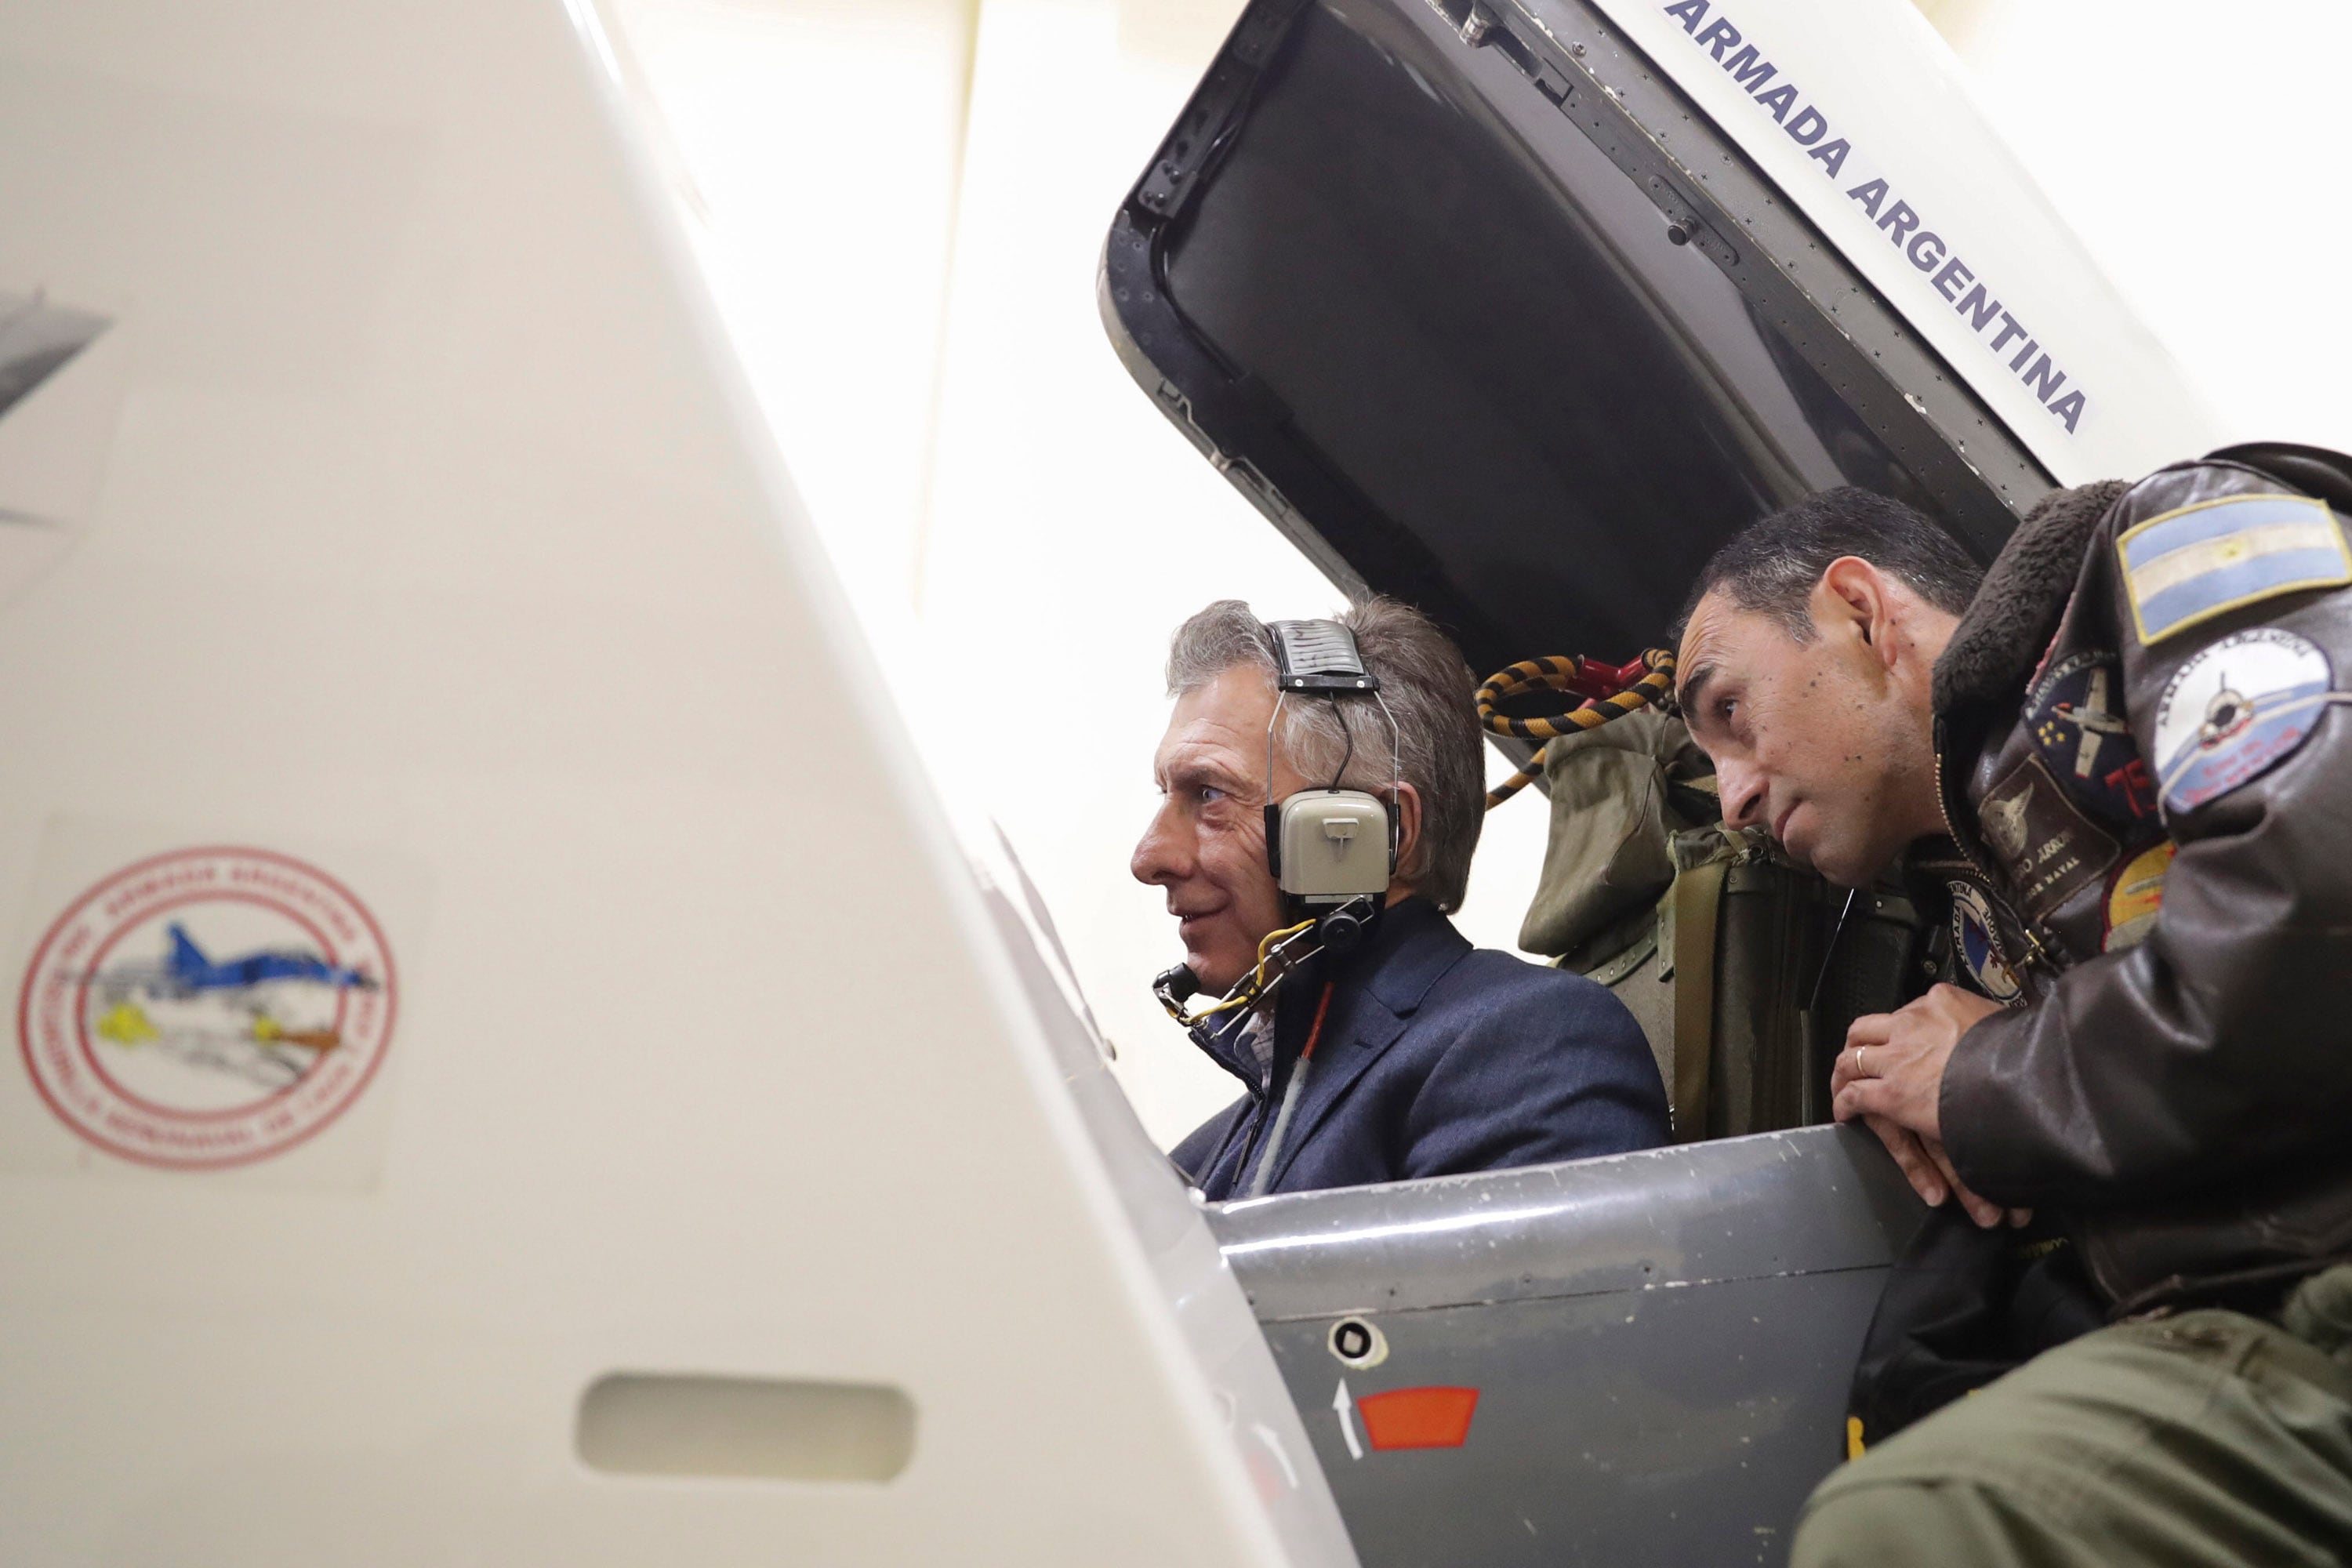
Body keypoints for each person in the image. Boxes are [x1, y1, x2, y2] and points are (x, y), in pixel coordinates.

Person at [1675, 463, 2352, 1566]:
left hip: (2304, 1307)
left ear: (1860, 610)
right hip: (2248, 1322)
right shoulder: (1965, 909)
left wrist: (1981, 1077)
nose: (1736, 797)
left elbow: (2317, 913)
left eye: (1731, 713)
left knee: (1911, 1527)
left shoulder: (2180, 547)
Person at [1131, 597, 1668, 1200]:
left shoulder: (1528, 1043)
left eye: (1209, 794)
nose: (1149, 857)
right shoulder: (1225, 1145)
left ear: (1385, 834)